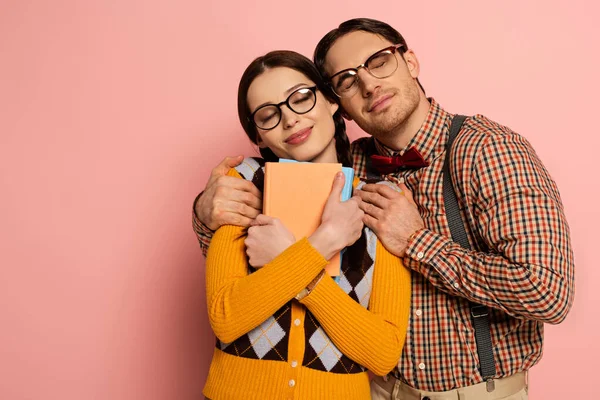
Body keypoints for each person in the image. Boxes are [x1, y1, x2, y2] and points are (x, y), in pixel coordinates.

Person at [194, 18, 575, 400]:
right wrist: (205, 211)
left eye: (378, 61)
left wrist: (415, 241)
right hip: (379, 392)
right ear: (338, 103)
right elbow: (238, 271)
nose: (368, 83)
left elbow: (547, 292)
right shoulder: (347, 172)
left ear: (410, 62)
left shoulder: (487, 150)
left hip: (478, 393)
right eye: (346, 79)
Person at [200, 50, 411, 400]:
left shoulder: (379, 202)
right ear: (258, 136)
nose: (290, 120)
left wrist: (293, 263)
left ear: (331, 102)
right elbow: (226, 316)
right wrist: (324, 242)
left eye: (301, 98)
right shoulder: (243, 185)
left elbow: (383, 352)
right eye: (269, 114)